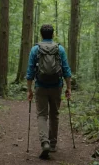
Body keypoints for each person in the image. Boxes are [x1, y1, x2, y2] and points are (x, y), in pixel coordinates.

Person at [26, 24, 72, 159]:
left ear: (41, 34)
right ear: (53, 34)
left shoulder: (35, 49)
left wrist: (29, 89)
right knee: (54, 114)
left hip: (40, 86)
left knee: (41, 115)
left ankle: (44, 142)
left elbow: (30, 72)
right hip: (56, 86)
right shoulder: (60, 49)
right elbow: (66, 70)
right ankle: (52, 144)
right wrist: (69, 87)